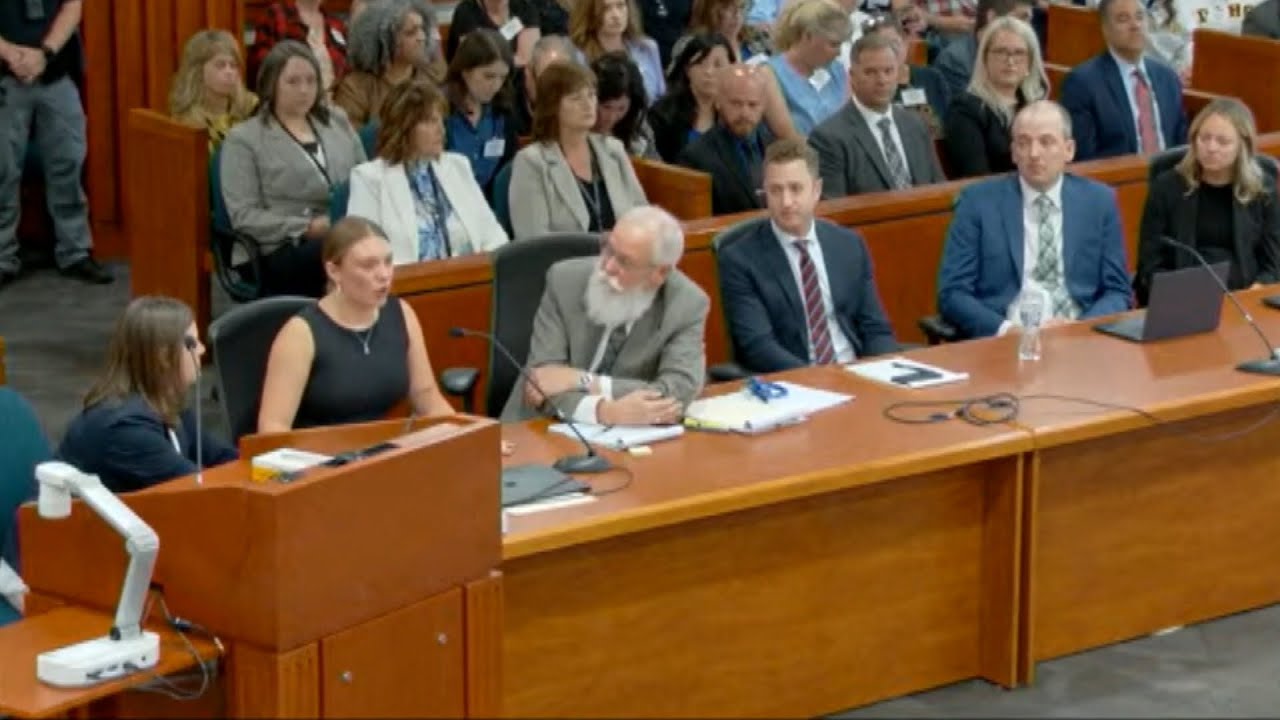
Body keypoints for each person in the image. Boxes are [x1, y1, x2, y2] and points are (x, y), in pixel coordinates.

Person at [937, 101, 1132, 338]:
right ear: (1013, 152)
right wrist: (1007, 331)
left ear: (1069, 150)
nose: (1034, 153)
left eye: (1046, 142)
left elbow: (1118, 291)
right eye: (1023, 143)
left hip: (1079, 337)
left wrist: (1080, 328)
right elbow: (953, 294)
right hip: (1007, 339)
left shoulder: (1099, 201)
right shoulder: (978, 203)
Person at [499, 206, 709, 424]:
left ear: (660, 273)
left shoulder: (686, 303)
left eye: (625, 262)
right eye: (608, 248)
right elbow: (542, 383)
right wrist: (603, 412)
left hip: (628, 435)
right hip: (538, 426)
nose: (608, 266)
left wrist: (585, 381)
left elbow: (677, 392)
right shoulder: (564, 281)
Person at [259, 217, 455, 432]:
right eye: (368, 265)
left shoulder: (401, 313)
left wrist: (465, 436)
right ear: (334, 271)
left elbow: (426, 396)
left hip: (384, 446)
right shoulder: (300, 334)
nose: (384, 275)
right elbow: (273, 428)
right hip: (317, 451)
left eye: (388, 261)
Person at [718, 138, 897, 373]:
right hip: (795, 378)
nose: (786, 202)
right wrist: (819, 379)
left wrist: (882, 373)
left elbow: (875, 328)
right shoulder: (740, 259)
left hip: (855, 370)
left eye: (795, 188)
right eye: (775, 190)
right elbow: (758, 346)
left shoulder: (848, 245)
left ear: (816, 190)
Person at [221, 41, 367, 298]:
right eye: (293, 81)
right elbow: (244, 216)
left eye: (311, 81)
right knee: (350, 253)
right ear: (271, 85)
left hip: (343, 229)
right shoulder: (244, 139)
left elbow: (365, 177)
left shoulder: (336, 120)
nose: (304, 90)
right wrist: (306, 227)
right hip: (279, 245)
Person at [58, 297, 238, 493]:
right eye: (192, 343)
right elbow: (197, 491)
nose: (202, 350)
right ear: (163, 357)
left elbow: (223, 457)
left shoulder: (166, 401)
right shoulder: (126, 429)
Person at [0, 0, 113, 288]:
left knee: (69, 162)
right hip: (4, 75)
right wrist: (10, 53)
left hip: (56, 71)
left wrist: (45, 54)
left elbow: (73, 5)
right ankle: (2, 258)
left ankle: (75, 252)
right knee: (3, 170)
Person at [1135, 98, 1280, 305]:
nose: (1211, 148)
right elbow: (1150, 264)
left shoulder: (1262, 190)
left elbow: (1274, 262)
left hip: (1246, 300)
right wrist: (1179, 296)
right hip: (1182, 300)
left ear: (1243, 146)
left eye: (1223, 141)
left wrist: (1253, 294)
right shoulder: (1166, 188)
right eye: (1204, 138)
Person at [349, 81, 509, 264]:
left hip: (469, 276)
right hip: (405, 280)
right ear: (404, 128)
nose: (441, 129)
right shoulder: (369, 179)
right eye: (430, 122)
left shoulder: (458, 166)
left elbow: (494, 236)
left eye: (441, 120)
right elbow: (364, 252)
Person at [509, 62, 648, 238]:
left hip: (622, 252)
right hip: (568, 256)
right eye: (576, 98)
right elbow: (533, 239)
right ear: (552, 106)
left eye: (591, 95)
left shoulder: (613, 149)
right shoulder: (532, 162)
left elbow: (641, 213)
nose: (588, 104)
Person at [809, 33, 945, 198]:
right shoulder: (828, 138)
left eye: (888, 71)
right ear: (852, 76)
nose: (882, 80)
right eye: (870, 72)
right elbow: (834, 207)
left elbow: (940, 188)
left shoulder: (916, 124)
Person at [1059, 0, 1188, 161]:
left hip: (1167, 173)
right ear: (1105, 29)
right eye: (1123, 19)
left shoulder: (1167, 78)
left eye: (1140, 17)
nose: (1135, 25)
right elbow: (1083, 158)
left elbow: (1181, 144)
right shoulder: (1082, 83)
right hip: (1116, 175)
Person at [943, 15, 1046, 178]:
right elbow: (976, 176)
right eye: (1001, 52)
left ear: (1030, 62)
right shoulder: (965, 109)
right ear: (984, 59)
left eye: (1019, 53)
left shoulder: (1037, 107)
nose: (1010, 61)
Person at [334, 0, 445, 127]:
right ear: (384, 40)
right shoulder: (355, 89)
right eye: (411, 32)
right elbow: (349, 136)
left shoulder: (431, 76)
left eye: (422, 29)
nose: (422, 37)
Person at [678, 64, 769, 215]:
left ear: (763, 106)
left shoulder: (774, 147)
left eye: (752, 105)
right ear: (718, 102)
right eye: (736, 103)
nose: (744, 113)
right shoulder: (696, 157)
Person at [444, 29, 519, 195]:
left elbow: (507, 172)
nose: (496, 86)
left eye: (502, 77)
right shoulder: (440, 110)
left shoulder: (503, 111)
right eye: (489, 76)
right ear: (465, 71)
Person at [763, 0, 852, 136]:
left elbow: (850, 125)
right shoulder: (769, 74)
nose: (839, 53)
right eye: (833, 44)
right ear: (808, 36)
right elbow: (790, 138)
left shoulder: (837, 70)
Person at [859, 13, 950, 139]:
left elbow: (948, 125)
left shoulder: (932, 77)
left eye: (894, 43)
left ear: (905, 42)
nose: (891, 51)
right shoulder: (869, 89)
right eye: (882, 46)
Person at [648, 32, 734, 162]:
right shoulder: (663, 114)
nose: (709, 72)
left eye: (717, 65)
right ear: (687, 69)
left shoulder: (735, 113)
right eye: (700, 63)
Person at [169, 29, 260, 151]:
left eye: (233, 65)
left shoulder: (253, 107)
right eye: (220, 65)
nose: (229, 72)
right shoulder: (186, 123)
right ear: (198, 71)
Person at [570, 0, 667, 104]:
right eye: (606, 8)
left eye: (620, 6)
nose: (616, 15)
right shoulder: (579, 57)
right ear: (590, 13)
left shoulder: (647, 48)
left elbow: (661, 95)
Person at [248, 0, 349, 97]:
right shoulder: (276, 16)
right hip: (291, 102)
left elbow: (347, 71)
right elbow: (262, 68)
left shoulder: (336, 24)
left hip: (334, 103)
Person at [934, 0, 1034, 98]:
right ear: (992, 17)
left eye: (1029, 20)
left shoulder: (1024, 54)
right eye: (1022, 18)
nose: (1028, 27)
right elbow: (968, 106)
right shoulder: (954, 60)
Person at [591, 52, 660, 158]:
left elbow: (654, 165)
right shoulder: (574, 124)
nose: (612, 117)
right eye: (606, 107)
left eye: (621, 109)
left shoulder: (639, 130)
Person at [513, 34, 578, 136]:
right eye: (546, 80)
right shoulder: (505, 99)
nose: (553, 90)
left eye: (561, 81)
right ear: (528, 72)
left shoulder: (579, 96)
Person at [446, 0, 541, 67]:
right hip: (479, 80)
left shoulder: (525, 7)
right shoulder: (467, 10)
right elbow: (473, 59)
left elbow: (526, 59)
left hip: (518, 80)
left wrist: (491, 60)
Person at [675, 0, 772, 65]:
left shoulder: (757, 37)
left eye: (741, 7)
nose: (737, 14)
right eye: (728, 8)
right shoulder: (690, 45)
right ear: (711, 10)